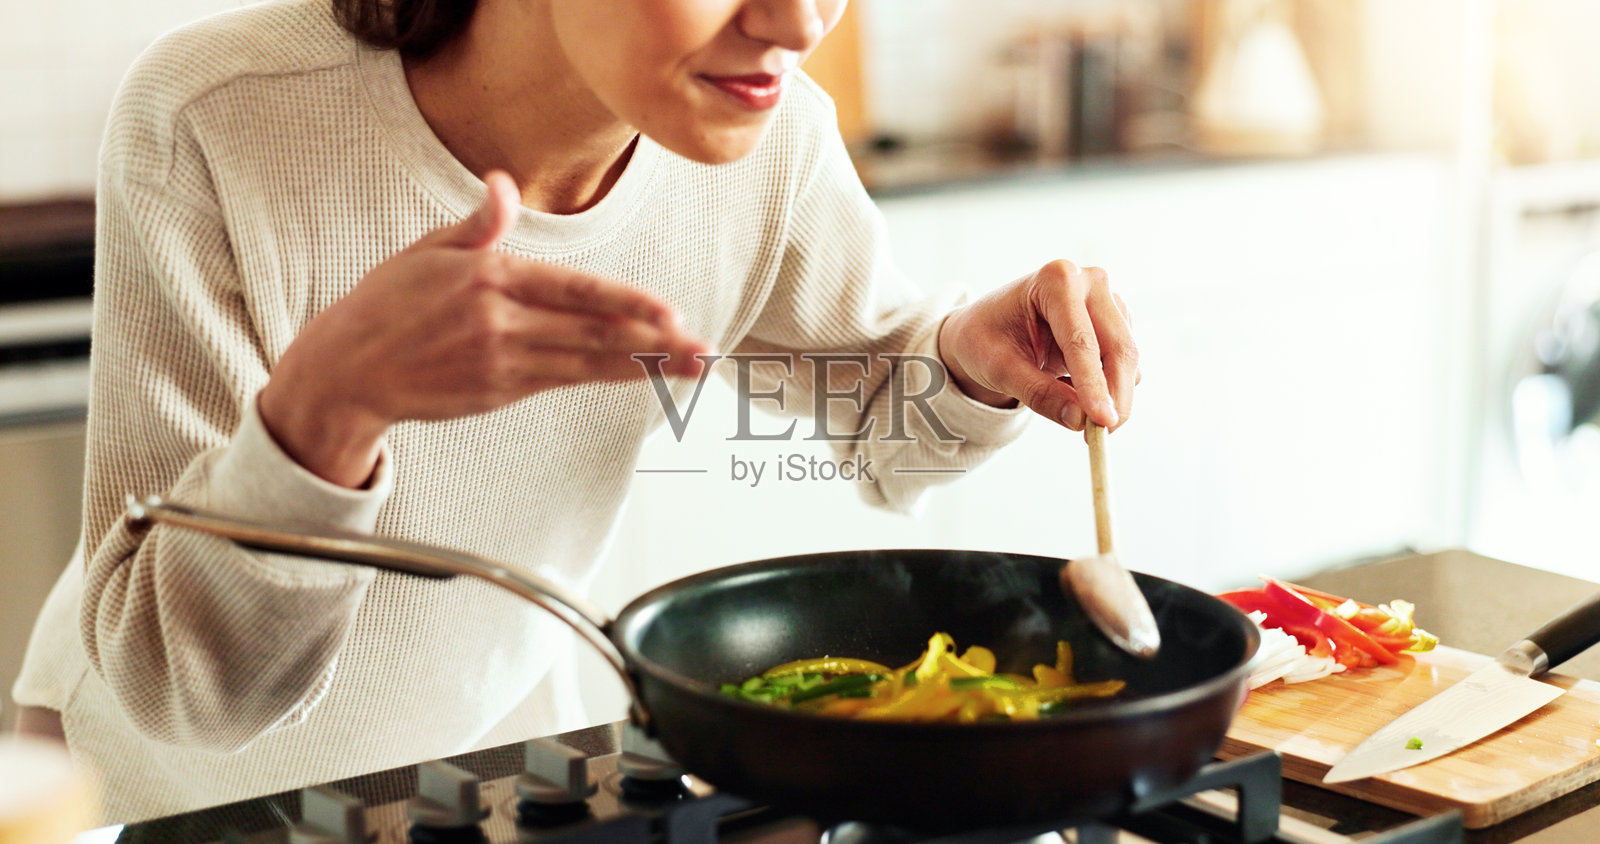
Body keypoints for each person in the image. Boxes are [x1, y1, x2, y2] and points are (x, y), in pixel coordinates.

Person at [10, 0, 1139, 823]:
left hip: (500, 764)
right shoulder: (220, 114)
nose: (798, 23)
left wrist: (969, 357)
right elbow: (177, 689)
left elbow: (880, 414)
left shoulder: (767, 135)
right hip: (180, 801)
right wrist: (324, 413)